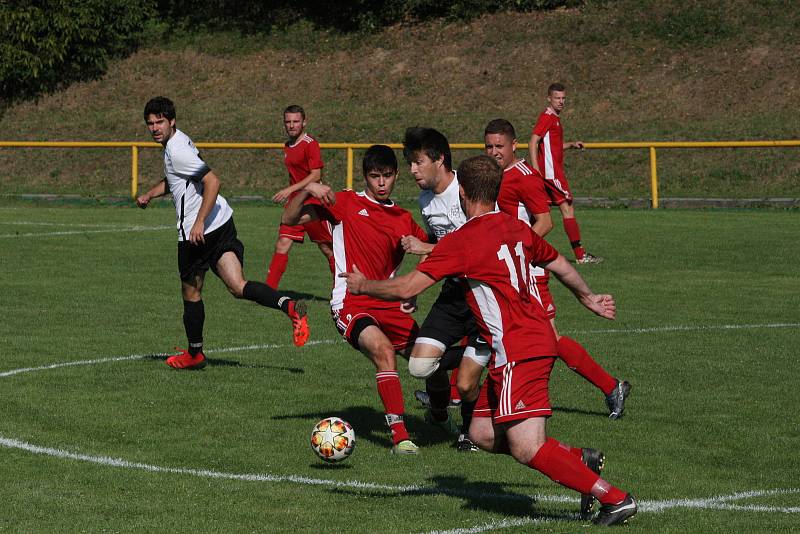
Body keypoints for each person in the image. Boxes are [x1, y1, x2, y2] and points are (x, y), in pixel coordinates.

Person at [340, 155, 637, 526]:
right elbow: (559, 263)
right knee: (480, 432)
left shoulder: (464, 240)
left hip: (519, 348)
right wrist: (587, 297)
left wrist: (363, 285)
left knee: (527, 447)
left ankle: (615, 499)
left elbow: (407, 286)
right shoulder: (516, 227)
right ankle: (578, 460)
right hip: (519, 345)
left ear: (462, 193)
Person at [136, 96, 310, 370]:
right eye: (150, 123)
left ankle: (195, 354)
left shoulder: (176, 149)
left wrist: (199, 222)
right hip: (223, 222)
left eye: (160, 122)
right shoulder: (179, 141)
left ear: (172, 121)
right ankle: (288, 306)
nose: (155, 128)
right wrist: (150, 194)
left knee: (191, 292)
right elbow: (178, 179)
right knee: (238, 286)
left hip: (199, 233)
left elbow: (212, 181)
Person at [282, 145, 428, 455]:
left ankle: (442, 416)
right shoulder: (345, 203)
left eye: (387, 176)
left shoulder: (403, 218)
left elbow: (439, 256)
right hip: (350, 302)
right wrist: (307, 187)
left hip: (390, 303)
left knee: (431, 362)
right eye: (375, 177)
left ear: (396, 176)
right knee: (383, 350)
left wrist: (416, 283)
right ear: (365, 177)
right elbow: (290, 217)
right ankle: (400, 437)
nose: (381, 183)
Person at [486, 118, 631, 422]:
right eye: (489, 146)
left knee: (547, 340)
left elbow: (545, 221)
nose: (494, 151)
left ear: (514, 145)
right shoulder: (493, 175)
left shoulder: (524, 177)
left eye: (500, 146)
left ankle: (611, 386)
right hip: (507, 268)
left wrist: (518, 252)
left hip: (529, 271)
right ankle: (452, 394)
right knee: (488, 326)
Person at [400, 126, 487, 453]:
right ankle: (468, 363)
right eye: (410, 163)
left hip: (483, 293)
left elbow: (473, 250)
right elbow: (436, 248)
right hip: (453, 294)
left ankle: (470, 432)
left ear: (439, 160)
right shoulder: (425, 201)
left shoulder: (467, 193)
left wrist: (426, 246)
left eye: (418, 162)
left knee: (465, 385)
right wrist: (415, 288)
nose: (412, 170)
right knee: (419, 365)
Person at [529, 83, 601, 264]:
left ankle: (525, 250)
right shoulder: (547, 117)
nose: (561, 102)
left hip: (551, 172)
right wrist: (536, 169)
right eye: (557, 98)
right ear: (549, 98)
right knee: (567, 208)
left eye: (563, 98)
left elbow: (551, 147)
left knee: (537, 213)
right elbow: (533, 142)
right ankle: (580, 256)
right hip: (551, 174)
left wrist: (570, 145)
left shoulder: (555, 119)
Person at [264, 105, 334, 289]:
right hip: (296, 203)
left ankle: (342, 291)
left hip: (313, 203)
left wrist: (289, 190)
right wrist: (292, 194)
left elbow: (315, 175)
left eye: (296, 121)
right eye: (288, 122)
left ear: (304, 122)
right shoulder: (287, 145)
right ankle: (268, 292)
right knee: (282, 243)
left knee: (327, 249)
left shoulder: (310, 144)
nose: (292, 125)